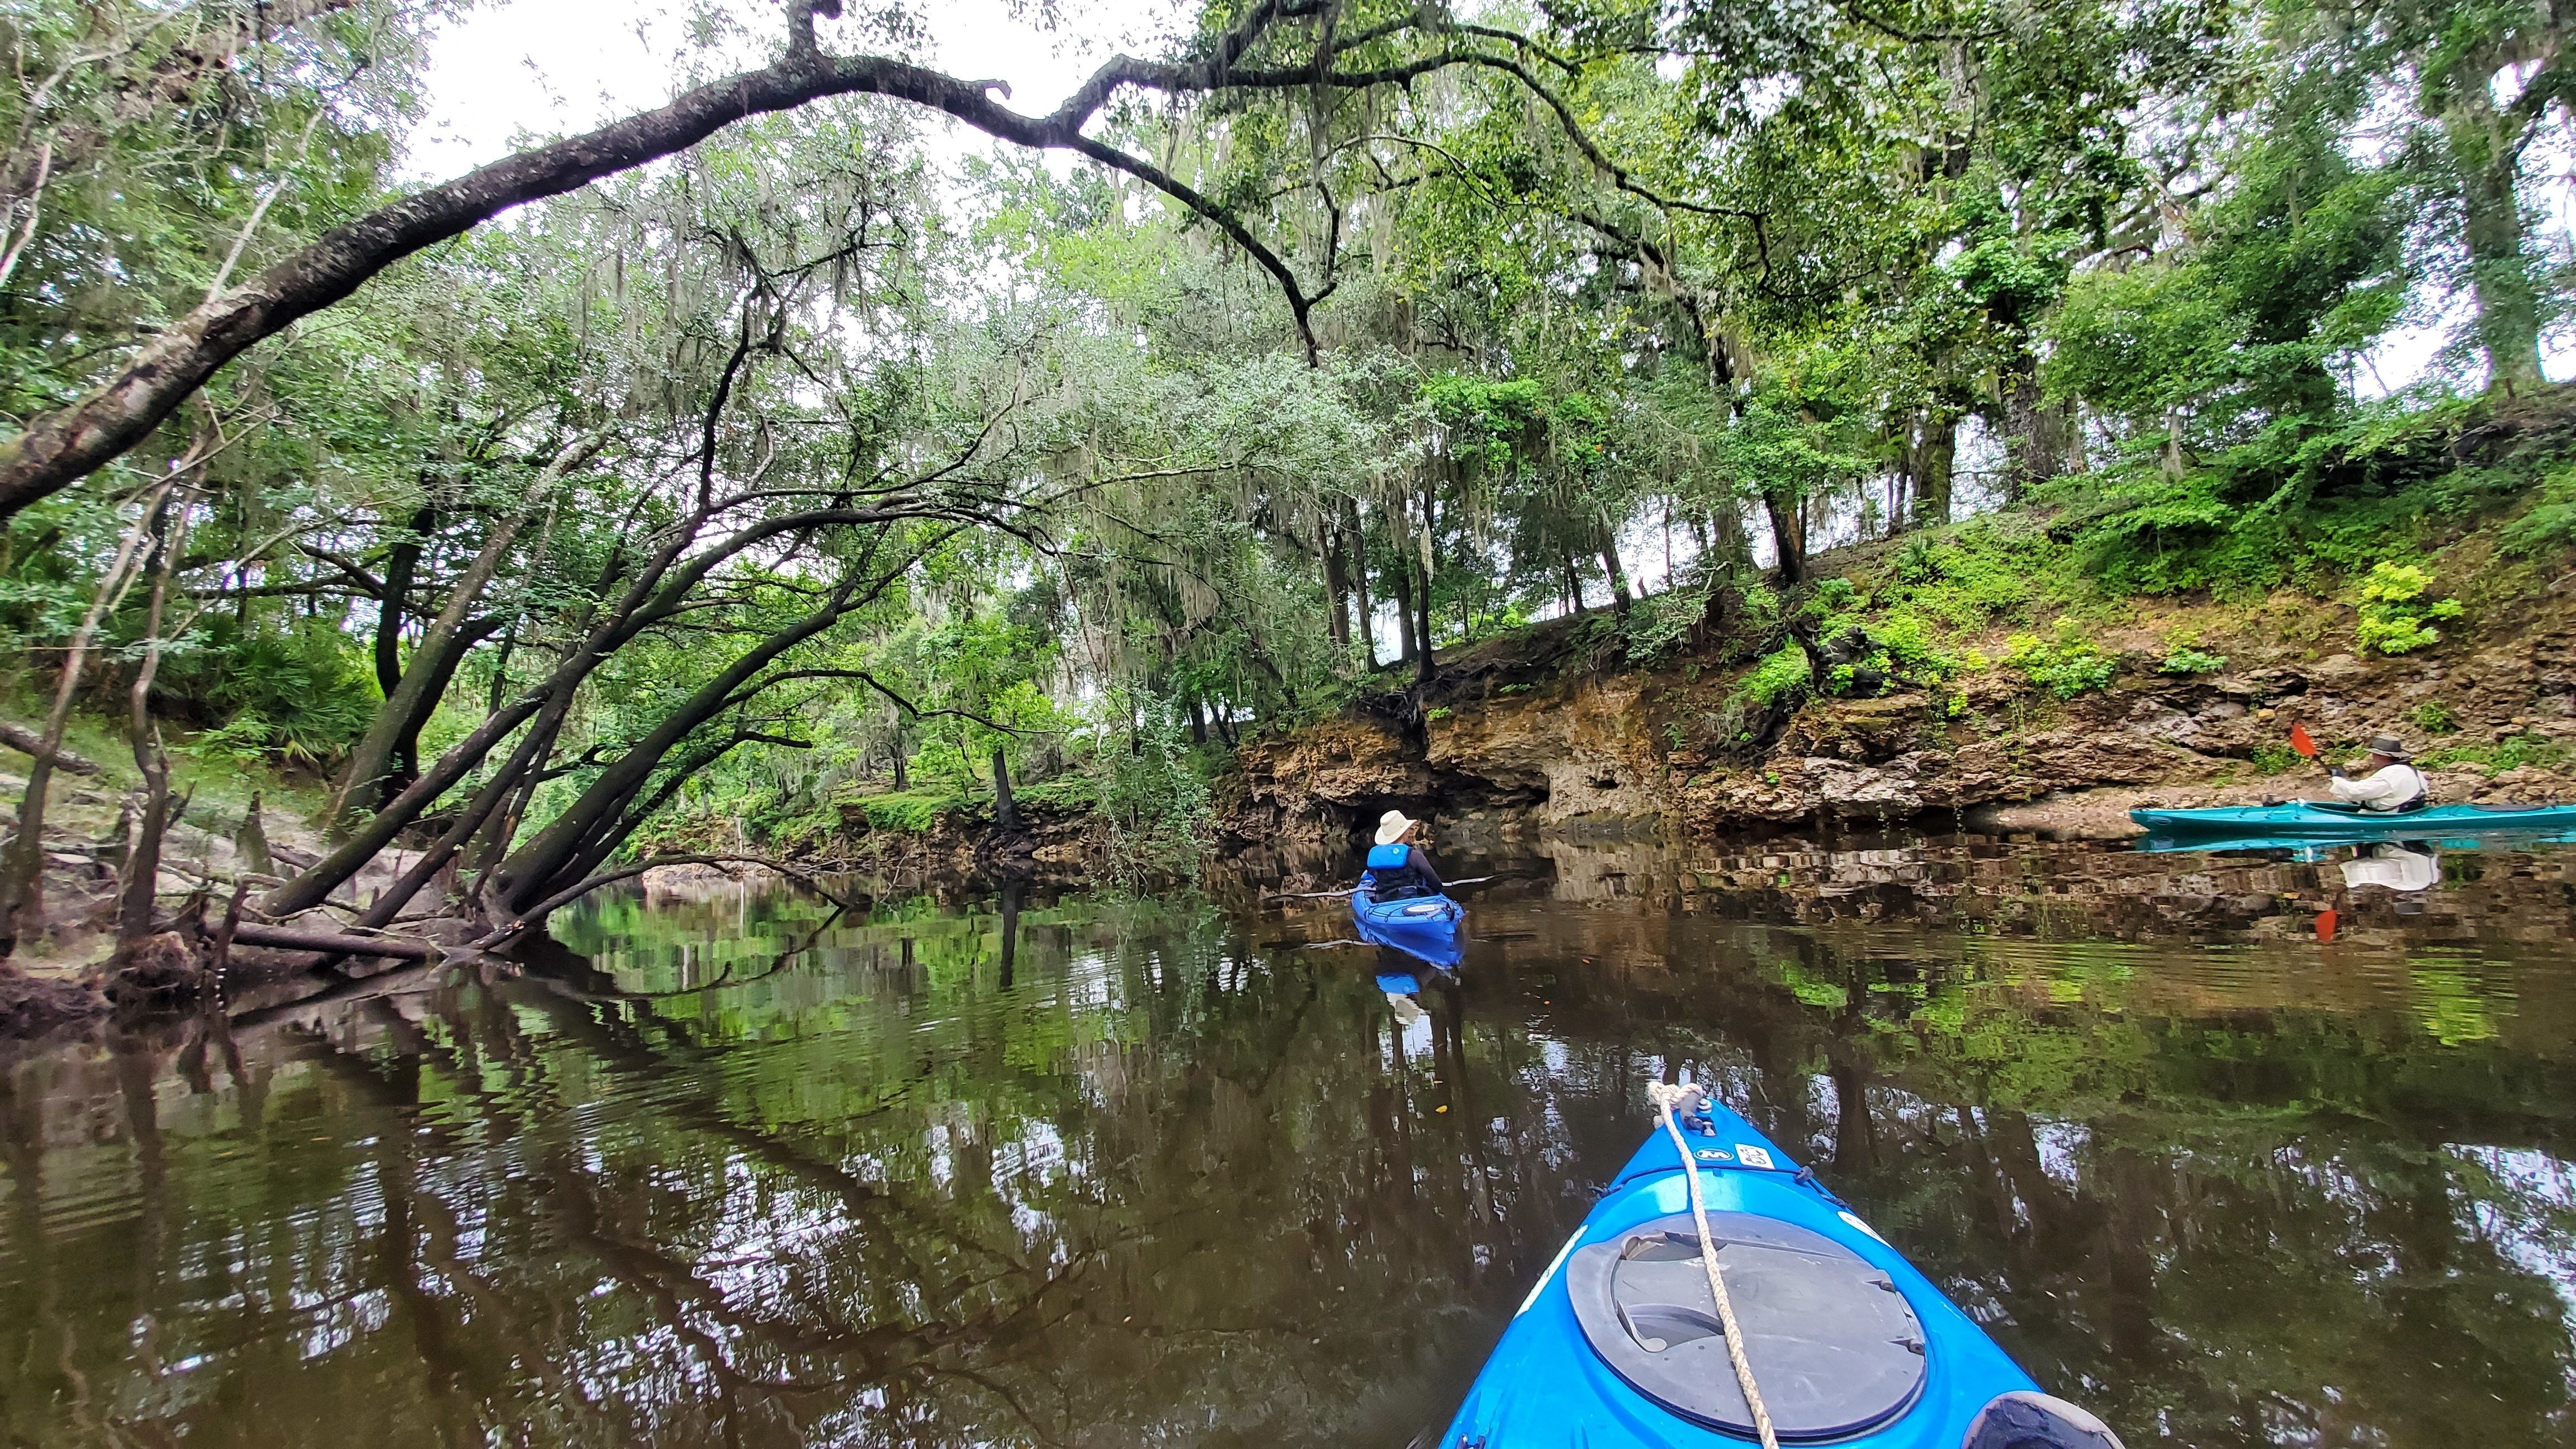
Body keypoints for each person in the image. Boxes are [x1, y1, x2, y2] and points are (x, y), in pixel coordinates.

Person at [2328, 733, 2428, 813]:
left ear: (2380, 756)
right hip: (2409, 811)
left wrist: (2337, 779)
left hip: (2391, 816)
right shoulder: (2413, 771)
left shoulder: (2391, 774)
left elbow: (2356, 792)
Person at [1362, 809, 1444, 900]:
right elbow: (1436, 883)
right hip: (1413, 898)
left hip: (1384, 901)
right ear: (1404, 833)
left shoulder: (1376, 855)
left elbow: (1373, 878)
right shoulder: (1414, 855)